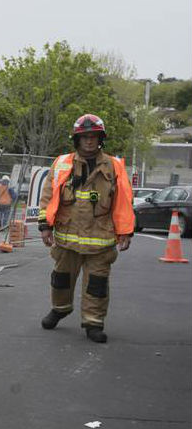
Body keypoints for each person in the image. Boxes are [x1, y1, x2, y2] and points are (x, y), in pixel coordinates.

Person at [38, 114, 134, 343]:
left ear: (100, 139)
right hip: (66, 238)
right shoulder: (62, 163)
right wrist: (45, 226)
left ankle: (93, 323)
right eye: (84, 137)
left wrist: (125, 232)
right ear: (77, 140)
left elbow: (123, 201)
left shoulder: (114, 166)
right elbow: (48, 196)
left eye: (94, 137)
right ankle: (60, 309)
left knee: (97, 285)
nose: (89, 141)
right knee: (61, 279)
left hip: (100, 239)